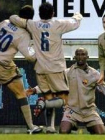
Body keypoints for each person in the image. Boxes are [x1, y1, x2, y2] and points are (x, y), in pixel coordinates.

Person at [10, 2, 83, 133]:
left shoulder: (32, 24)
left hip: (40, 68)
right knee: (65, 98)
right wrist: (77, 16)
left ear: (39, 14)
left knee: (49, 96)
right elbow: (76, 23)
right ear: (53, 13)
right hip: (55, 67)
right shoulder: (58, 24)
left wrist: (20, 19)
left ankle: (50, 127)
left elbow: (13, 18)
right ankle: (44, 104)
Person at [26, 48, 105, 134]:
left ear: (87, 57)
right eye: (78, 55)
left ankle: (90, 126)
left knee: (100, 133)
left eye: (82, 54)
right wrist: (34, 90)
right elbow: (51, 83)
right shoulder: (68, 72)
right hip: (71, 110)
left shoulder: (95, 74)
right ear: (75, 57)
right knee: (63, 131)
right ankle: (72, 124)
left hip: (89, 111)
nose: (80, 57)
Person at [0, 5, 42, 134]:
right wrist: (39, 52)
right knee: (21, 94)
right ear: (29, 19)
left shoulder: (5, 22)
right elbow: (30, 57)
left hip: (6, 62)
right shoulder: (23, 34)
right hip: (4, 65)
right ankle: (31, 126)